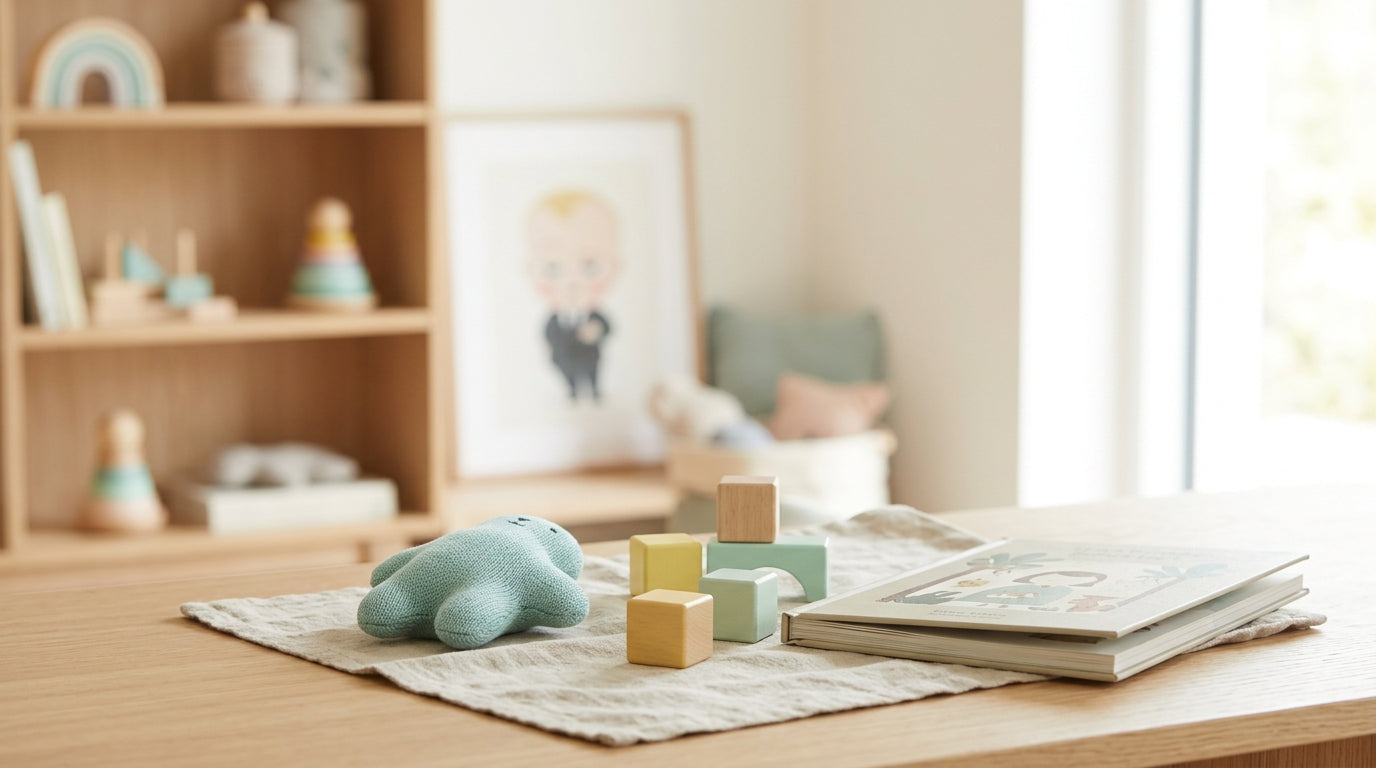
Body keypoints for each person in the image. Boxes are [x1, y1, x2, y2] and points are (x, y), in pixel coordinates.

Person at [525, 190, 622, 402]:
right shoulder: (554, 319)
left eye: (590, 266)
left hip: (589, 358)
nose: (571, 282)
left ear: (614, 268)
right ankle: (572, 391)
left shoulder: (595, 315)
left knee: (592, 376)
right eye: (552, 268)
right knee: (569, 378)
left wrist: (596, 331)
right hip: (565, 358)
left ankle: (594, 392)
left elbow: (607, 327)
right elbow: (549, 334)